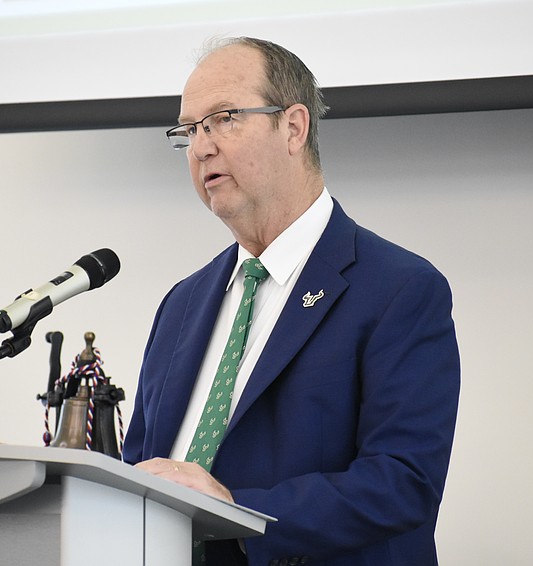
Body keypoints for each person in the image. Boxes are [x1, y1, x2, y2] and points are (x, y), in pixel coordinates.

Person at [123, 36, 460, 566]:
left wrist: (237, 510)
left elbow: (403, 482)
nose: (201, 147)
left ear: (294, 127)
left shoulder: (400, 289)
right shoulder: (181, 304)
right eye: (190, 130)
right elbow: (141, 468)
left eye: (225, 118)